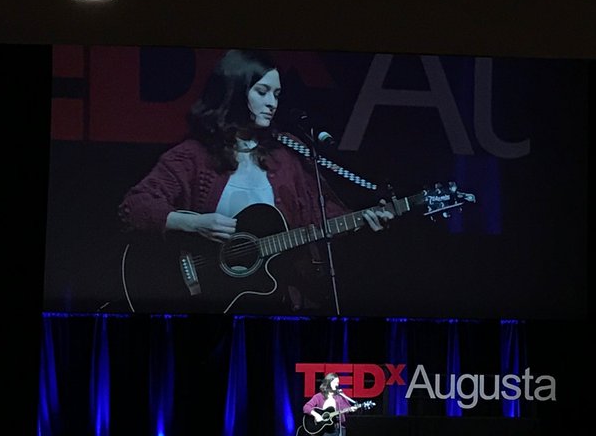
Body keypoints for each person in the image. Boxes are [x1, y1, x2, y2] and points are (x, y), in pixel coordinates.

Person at [117, 48, 392, 314]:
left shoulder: (287, 154)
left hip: (279, 304)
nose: (272, 103)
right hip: (204, 308)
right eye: (262, 92)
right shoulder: (193, 156)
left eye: (277, 94)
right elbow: (134, 207)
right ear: (234, 91)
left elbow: (321, 214)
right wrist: (195, 223)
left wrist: (364, 219)